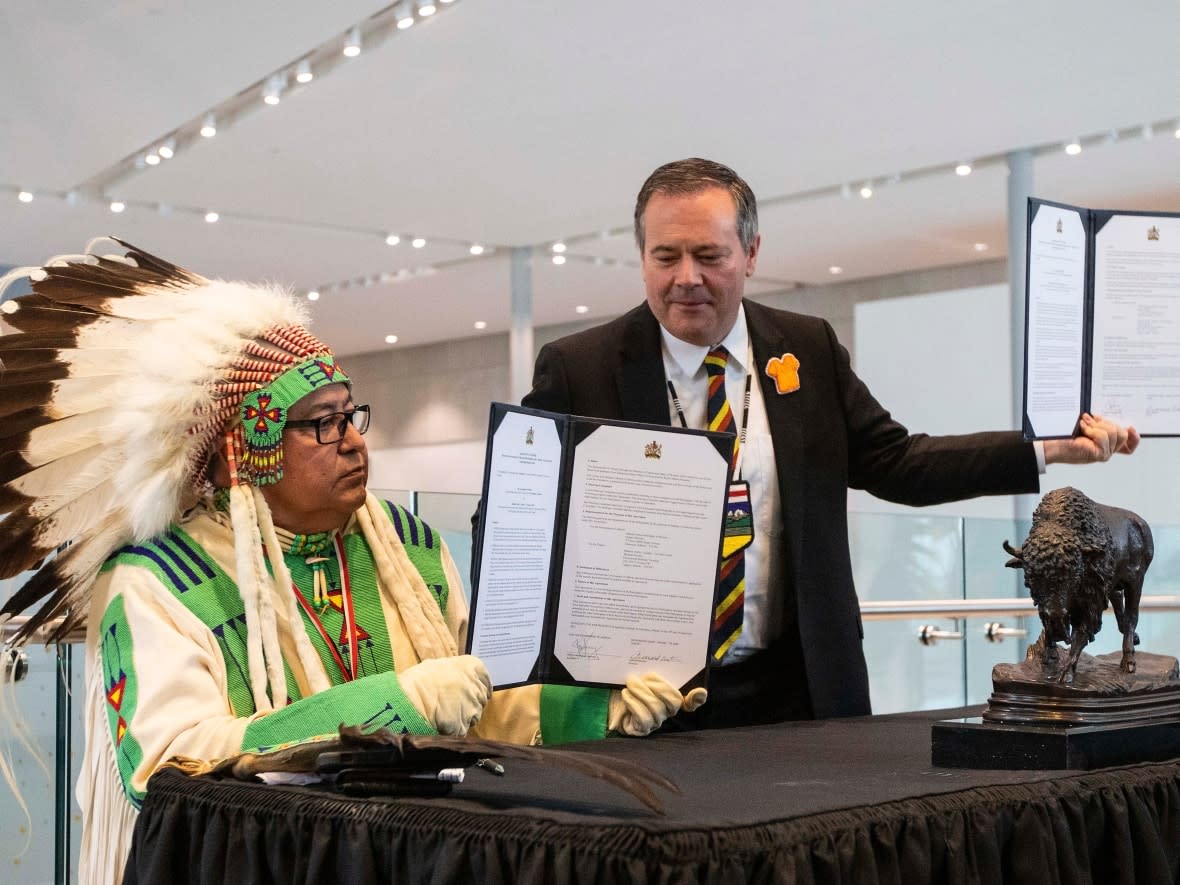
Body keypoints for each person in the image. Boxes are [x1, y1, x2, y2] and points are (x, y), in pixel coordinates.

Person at [0, 239, 698, 884]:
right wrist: (394, 704)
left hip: (412, 859)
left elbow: (474, 699)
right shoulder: (159, 578)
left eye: (350, 415)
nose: (353, 442)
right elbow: (170, 765)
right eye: (322, 424)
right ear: (249, 449)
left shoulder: (407, 545)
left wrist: (594, 706)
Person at [519, 157, 1139, 729]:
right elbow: (518, 518)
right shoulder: (581, 369)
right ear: (642, 256)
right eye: (665, 257)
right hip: (638, 702)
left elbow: (898, 463)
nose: (687, 279)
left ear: (752, 252)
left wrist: (1046, 448)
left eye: (709, 255)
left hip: (800, 693)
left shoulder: (807, 348)